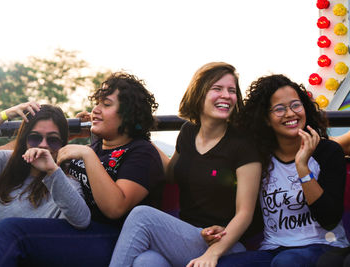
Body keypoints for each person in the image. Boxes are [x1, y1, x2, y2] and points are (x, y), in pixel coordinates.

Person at [0, 72, 165, 267]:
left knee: (11, 231)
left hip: (113, 239)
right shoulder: (94, 148)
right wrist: (64, 137)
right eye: (96, 103)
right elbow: (36, 149)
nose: (96, 110)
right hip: (73, 231)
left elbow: (115, 208)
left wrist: (87, 155)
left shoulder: (141, 153)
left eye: (106, 105)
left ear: (129, 113)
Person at [109, 62, 262, 267]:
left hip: (227, 245)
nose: (226, 95)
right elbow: (171, 173)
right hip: (189, 236)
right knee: (147, 262)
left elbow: (245, 214)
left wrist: (212, 254)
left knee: (141, 216)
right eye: (217, 88)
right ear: (199, 93)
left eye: (232, 90)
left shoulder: (243, 145)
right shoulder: (188, 132)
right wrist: (137, 140)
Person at [203, 74, 349, 267]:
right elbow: (255, 219)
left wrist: (302, 167)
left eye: (296, 105)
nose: (290, 114)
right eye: (279, 109)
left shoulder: (328, 153)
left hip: (324, 246)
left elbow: (329, 219)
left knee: (286, 262)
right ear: (265, 119)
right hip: (274, 249)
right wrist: (223, 230)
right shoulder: (260, 160)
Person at [0, 103, 91, 266]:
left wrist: (52, 170)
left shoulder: (64, 181)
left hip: (11, 256)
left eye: (53, 140)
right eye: (35, 138)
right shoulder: (7, 162)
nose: (43, 145)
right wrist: (4, 116)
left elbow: (82, 220)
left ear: (62, 144)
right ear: (25, 140)